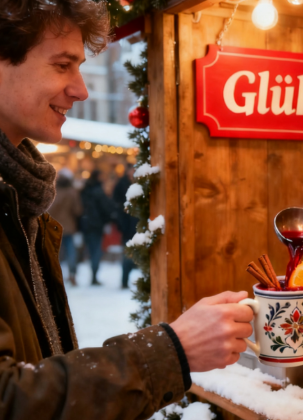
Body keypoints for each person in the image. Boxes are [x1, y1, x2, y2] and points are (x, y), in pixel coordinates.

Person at [0, 1, 254, 418]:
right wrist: (173, 351)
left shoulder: (23, 197)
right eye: (63, 65)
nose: (81, 89)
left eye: (80, 67)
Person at [79, 169, 116, 286]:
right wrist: (109, 218)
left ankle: (92, 274)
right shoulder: (98, 191)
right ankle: (94, 276)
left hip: (85, 224)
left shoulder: (84, 190)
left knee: (91, 250)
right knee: (96, 251)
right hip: (96, 225)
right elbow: (106, 207)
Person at [48, 168, 82, 286]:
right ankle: (72, 274)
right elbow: (78, 210)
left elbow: (49, 210)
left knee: (55, 252)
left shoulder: (53, 192)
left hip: (55, 226)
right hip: (69, 227)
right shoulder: (72, 192)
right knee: (71, 252)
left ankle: (55, 275)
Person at [112, 163, 139, 289]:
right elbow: (116, 204)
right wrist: (121, 224)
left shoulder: (141, 186)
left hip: (139, 226)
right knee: (127, 257)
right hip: (128, 227)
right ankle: (124, 281)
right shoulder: (121, 184)